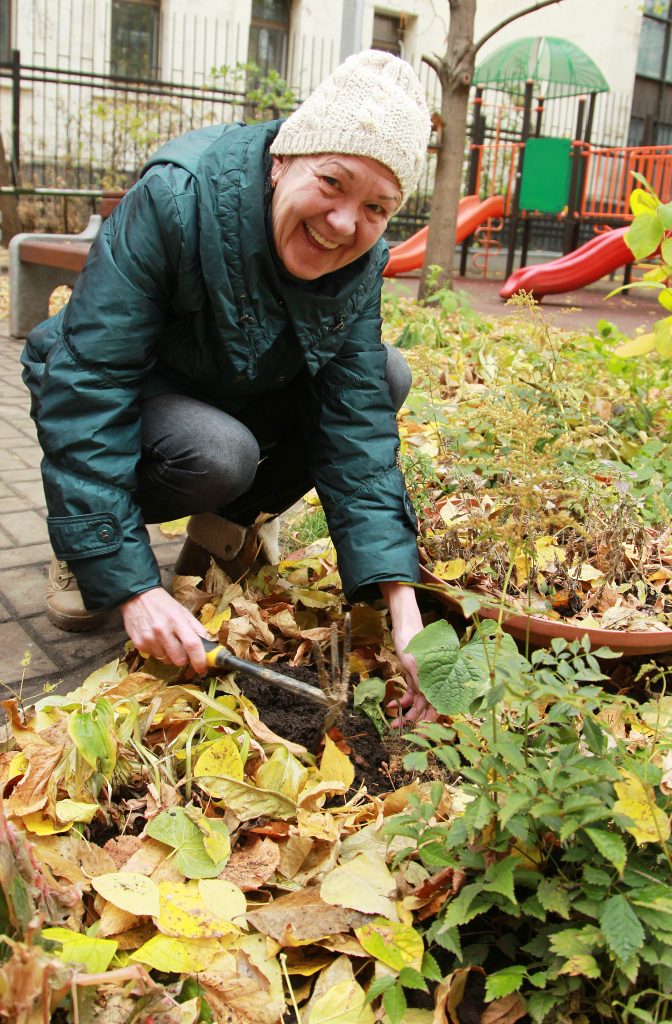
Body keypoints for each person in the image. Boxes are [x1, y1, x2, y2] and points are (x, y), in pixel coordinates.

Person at [21, 49, 437, 723]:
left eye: (376, 208)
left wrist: (405, 610)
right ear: (283, 159)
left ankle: (216, 540)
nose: (343, 224)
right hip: (128, 389)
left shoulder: (358, 267)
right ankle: (83, 547)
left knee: (386, 373)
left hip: (228, 390)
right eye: (332, 182)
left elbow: (355, 423)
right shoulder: (176, 198)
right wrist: (128, 587)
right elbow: (89, 383)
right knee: (220, 452)